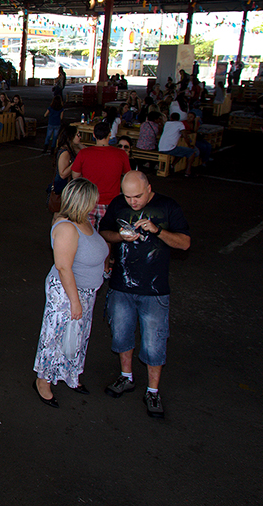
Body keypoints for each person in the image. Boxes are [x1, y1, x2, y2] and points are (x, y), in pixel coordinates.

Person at [99, 171, 191, 419]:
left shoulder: (168, 206)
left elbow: (184, 243)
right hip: (121, 285)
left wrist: (157, 231)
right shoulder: (119, 204)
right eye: (128, 196)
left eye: (137, 196)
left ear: (149, 188)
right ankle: (125, 377)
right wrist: (120, 237)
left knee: (154, 341)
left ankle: (153, 390)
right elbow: (103, 231)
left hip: (154, 289)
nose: (132, 202)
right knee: (121, 334)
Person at [33, 179, 108, 408]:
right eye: (93, 198)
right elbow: (64, 267)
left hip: (84, 291)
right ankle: (43, 381)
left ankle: (70, 374)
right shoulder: (66, 227)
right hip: (67, 293)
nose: (97, 202)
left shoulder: (84, 221)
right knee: (54, 336)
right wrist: (75, 302)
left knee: (77, 335)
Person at [71, 121, 131, 227]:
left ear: (94, 135)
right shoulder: (121, 154)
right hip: (111, 202)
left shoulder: (84, 153)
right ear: (110, 135)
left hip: (88, 201)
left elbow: (75, 176)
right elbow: (128, 177)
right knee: (106, 236)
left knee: (88, 235)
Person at [157, 112, 197, 177]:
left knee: (182, 151)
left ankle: (172, 165)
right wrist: (190, 145)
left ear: (171, 118)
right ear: (179, 119)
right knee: (191, 152)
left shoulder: (167, 123)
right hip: (169, 148)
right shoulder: (180, 124)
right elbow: (185, 136)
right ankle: (188, 172)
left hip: (161, 147)